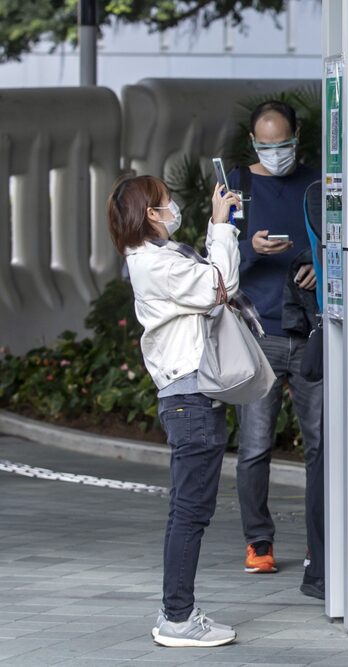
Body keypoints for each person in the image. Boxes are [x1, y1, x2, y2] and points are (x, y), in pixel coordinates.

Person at [108, 175, 242, 647]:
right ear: (151, 214)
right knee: (190, 513)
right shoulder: (156, 264)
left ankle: (177, 612)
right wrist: (220, 225)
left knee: (186, 510)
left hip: (187, 398)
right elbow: (221, 285)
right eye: (167, 202)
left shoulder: (156, 257)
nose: (173, 207)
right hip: (191, 399)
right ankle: (178, 618)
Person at [227, 100, 325, 600]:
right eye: (266, 145)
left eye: (283, 143)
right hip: (257, 333)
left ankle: (319, 546)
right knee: (254, 447)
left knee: (321, 446)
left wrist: (318, 268)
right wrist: (251, 249)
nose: (276, 152)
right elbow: (216, 258)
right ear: (252, 142)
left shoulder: (318, 183)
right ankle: (258, 542)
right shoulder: (236, 187)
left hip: (309, 333)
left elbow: (339, 243)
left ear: (296, 136)